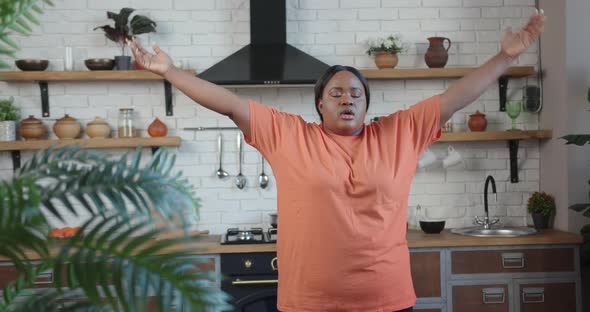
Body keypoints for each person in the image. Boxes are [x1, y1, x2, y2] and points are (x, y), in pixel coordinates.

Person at [130, 10, 545, 312]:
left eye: (356, 93)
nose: (347, 98)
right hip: (309, 301)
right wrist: (170, 71)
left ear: (367, 104)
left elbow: (459, 95)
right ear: (319, 105)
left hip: (386, 300)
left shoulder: (399, 132)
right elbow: (228, 103)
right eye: (336, 93)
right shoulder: (290, 135)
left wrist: (505, 57)